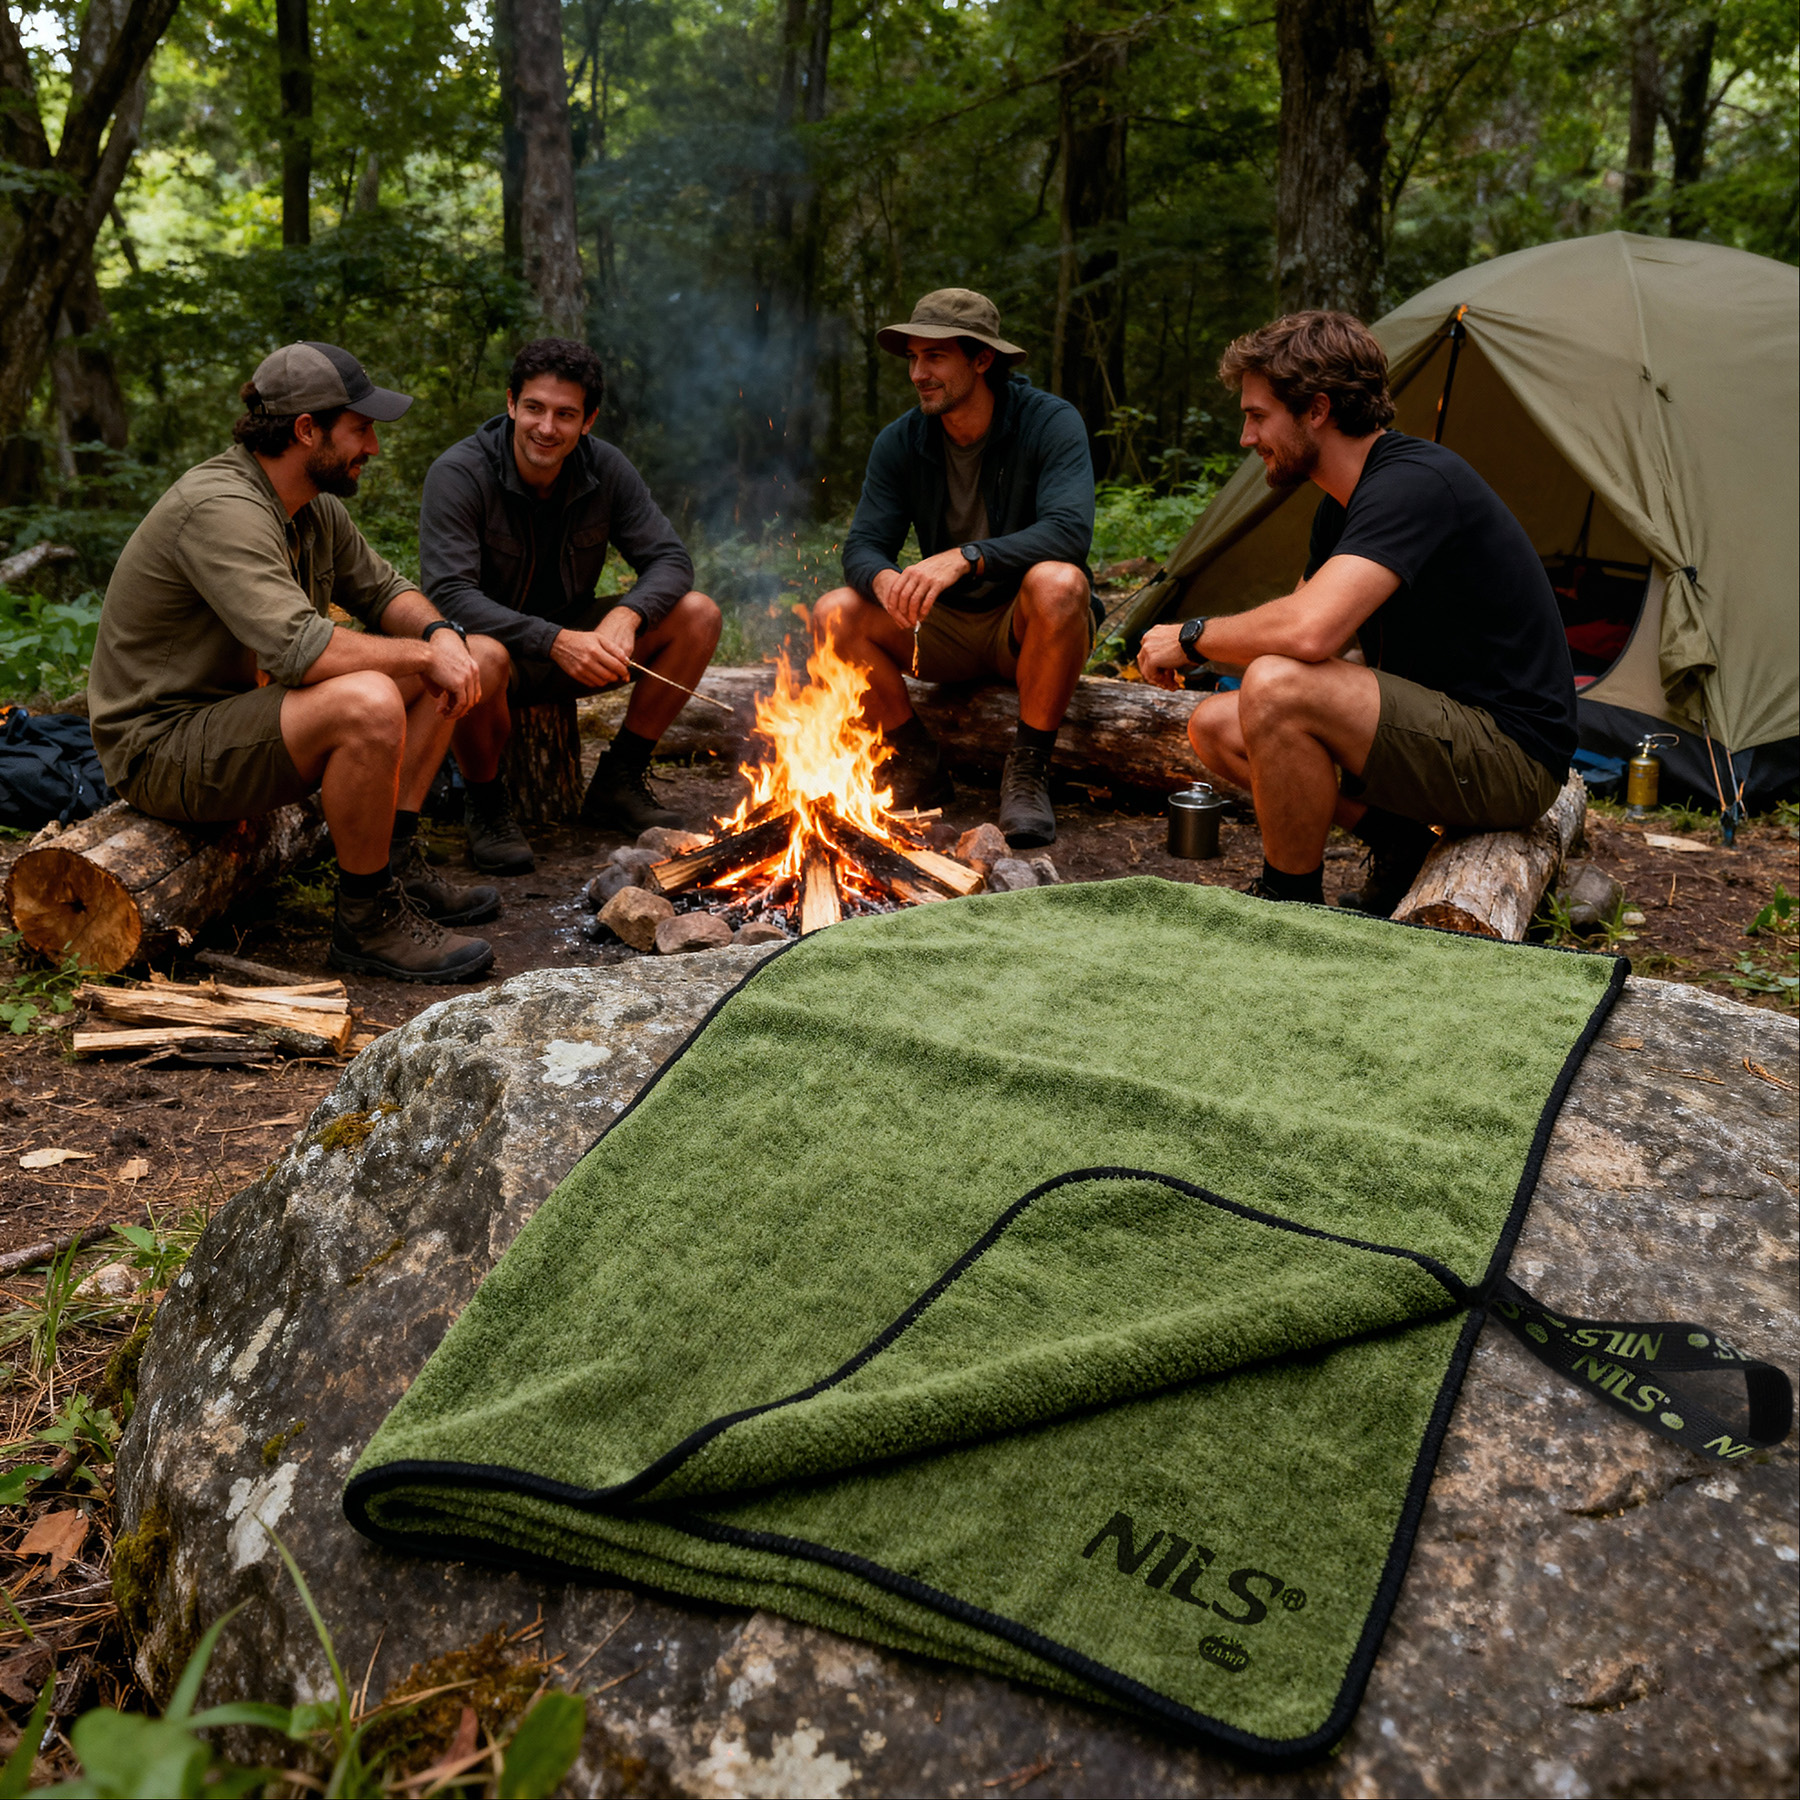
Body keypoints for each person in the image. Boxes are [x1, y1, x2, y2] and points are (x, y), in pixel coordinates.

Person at [88, 341, 502, 984]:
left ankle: (391, 862)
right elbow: (301, 651)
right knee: (368, 700)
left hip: (237, 718)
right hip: (162, 747)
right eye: (360, 429)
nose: (373, 446)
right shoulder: (220, 508)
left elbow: (385, 592)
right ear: (307, 430)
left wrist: (440, 635)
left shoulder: (312, 505)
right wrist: (426, 655)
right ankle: (366, 922)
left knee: (465, 656)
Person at [1137, 311, 1577, 913]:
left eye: (1258, 416)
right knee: (1217, 725)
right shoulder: (1342, 504)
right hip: (1444, 732)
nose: (1247, 437)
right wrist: (1210, 653)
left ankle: (1289, 906)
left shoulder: (1414, 482)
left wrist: (1192, 636)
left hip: (1512, 758)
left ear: (1317, 410)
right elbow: (1296, 626)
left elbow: (1308, 632)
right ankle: (1396, 839)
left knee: (1278, 687)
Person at [419, 338, 721, 870]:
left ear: (588, 420)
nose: (546, 427)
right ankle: (484, 801)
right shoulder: (460, 472)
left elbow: (670, 559)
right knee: (479, 656)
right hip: (495, 652)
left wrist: (626, 615)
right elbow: (450, 595)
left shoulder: (605, 468)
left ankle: (620, 777)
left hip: (575, 640)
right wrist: (554, 641)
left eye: (565, 414)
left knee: (698, 614)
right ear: (511, 403)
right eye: (534, 408)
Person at [813, 288, 1097, 847]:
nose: (918, 373)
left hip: (1024, 624)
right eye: (913, 358)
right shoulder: (901, 441)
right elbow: (863, 546)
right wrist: (883, 579)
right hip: (944, 629)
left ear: (982, 359)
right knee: (833, 611)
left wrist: (967, 556)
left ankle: (1027, 771)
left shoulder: (1049, 422)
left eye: (936, 357)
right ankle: (914, 757)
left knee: (1060, 582)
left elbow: (1069, 532)